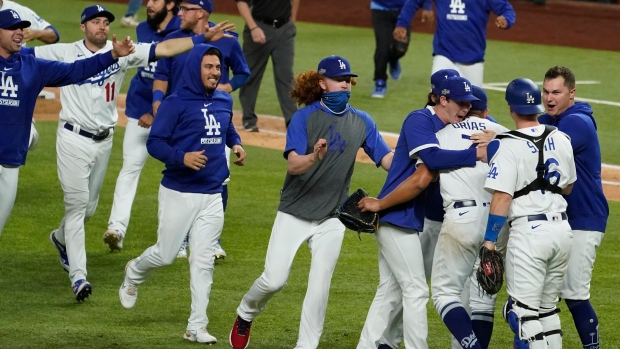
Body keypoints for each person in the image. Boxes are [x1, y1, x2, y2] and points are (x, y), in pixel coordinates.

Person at [27, 4, 234, 302]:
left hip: (104, 140)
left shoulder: (122, 50)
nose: (100, 26)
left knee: (89, 209)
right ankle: (79, 276)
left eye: (104, 22)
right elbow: (20, 55)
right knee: (77, 205)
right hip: (72, 138)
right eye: (94, 21)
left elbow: (164, 48)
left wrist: (202, 40)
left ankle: (60, 239)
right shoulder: (64, 52)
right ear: (82, 27)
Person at [229, 55, 393, 349]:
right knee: (274, 280)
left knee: (319, 287)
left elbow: (386, 159)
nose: (345, 85)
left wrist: (418, 163)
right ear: (322, 83)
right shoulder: (304, 118)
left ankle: (306, 346)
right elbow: (293, 165)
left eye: (348, 80)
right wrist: (314, 157)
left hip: (332, 217)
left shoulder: (362, 121)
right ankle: (246, 313)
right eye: (339, 80)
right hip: (295, 211)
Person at [118, 44, 245, 344]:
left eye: (218, 67)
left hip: (213, 193)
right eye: (209, 67)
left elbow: (227, 127)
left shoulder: (224, 99)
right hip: (179, 191)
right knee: (165, 254)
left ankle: (196, 326)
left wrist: (236, 144)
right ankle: (134, 273)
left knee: (203, 262)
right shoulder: (175, 104)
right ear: (194, 68)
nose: (215, 72)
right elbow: (155, 142)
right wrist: (182, 157)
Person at [355, 76, 488, 349]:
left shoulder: (446, 129)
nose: (465, 109)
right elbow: (427, 169)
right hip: (395, 216)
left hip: (407, 219)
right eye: (460, 103)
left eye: (469, 104)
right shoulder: (420, 121)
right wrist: (476, 154)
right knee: (415, 290)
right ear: (441, 99)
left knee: (390, 291)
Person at [0, 9, 135, 237]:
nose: (19, 32)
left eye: (21, 28)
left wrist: (111, 55)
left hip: (10, 160)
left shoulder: (33, 67)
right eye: (13, 28)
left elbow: (76, 71)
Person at [150, 0, 250, 259]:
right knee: (183, 172)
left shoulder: (227, 41)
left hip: (216, 114)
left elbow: (242, 72)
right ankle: (180, 237)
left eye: (186, 8)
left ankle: (211, 240)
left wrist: (226, 90)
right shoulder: (173, 40)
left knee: (219, 180)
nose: (179, 13)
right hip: (183, 117)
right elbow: (161, 74)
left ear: (202, 12)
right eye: (179, 8)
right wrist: (157, 102)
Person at [483, 78, 576, 349]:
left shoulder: (505, 144)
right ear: (537, 104)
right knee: (547, 311)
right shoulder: (561, 138)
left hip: (530, 235)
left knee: (523, 313)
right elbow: (568, 186)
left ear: (511, 108)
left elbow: (502, 196)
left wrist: (490, 241)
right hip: (562, 232)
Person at [103, 0, 181, 252]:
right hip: (138, 109)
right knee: (130, 168)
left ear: (170, 4)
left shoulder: (183, 34)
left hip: (172, 115)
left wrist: (156, 113)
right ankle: (116, 228)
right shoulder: (143, 30)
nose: (148, 3)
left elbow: (182, 80)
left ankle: (175, 240)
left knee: (177, 176)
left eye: (156, 0)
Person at [539, 66, 608, 349]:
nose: (549, 97)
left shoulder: (578, 122)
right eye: (545, 91)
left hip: (585, 217)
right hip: (561, 220)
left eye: (556, 92)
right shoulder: (551, 119)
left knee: (575, 293)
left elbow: (543, 147)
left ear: (571, 93)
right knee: (543, 295)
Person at [394, 0, 515, 86]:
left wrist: (506, 19)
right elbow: (413, 2)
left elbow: (506, 9)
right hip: (444, 54)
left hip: (472, 58)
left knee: (473, 109)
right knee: (437, 101)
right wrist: (402, 23)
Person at [235, 0, 300, 131]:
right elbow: (241, 2)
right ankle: (248, 119)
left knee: (286, 76)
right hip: (258, 26)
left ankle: (293, 121)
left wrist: (292, 20)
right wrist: (253, 27)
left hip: (284, 30)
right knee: (251, 74)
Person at [369, 0, 432, 98]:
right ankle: (380, 81)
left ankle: (393, 59)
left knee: (400, 49)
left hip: (404, 10)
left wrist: (427, 5)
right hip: (380, 8)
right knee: (382, 47)